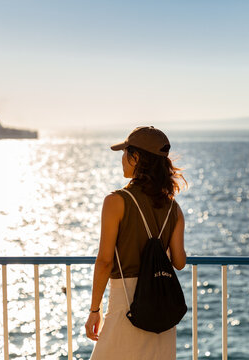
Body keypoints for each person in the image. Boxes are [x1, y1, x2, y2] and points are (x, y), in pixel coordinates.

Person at [85, 126, 187, 360]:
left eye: (125, 153)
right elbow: (179, 262)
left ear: (137, 157)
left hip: (126, 305)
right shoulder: (174, 208)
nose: (122, 159)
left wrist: (94, 311)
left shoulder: (116, 201)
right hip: (160, 310)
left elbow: (104, 261)